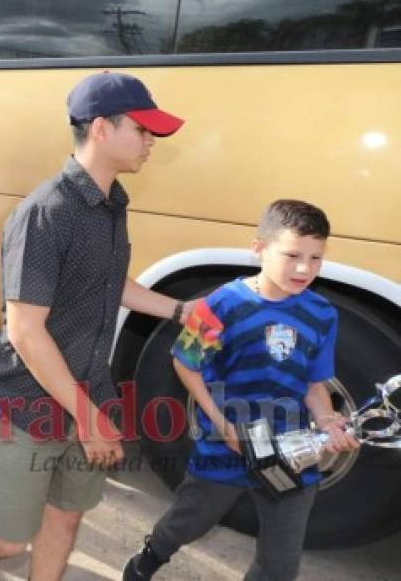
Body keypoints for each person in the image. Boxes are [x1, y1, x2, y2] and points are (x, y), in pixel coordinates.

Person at [0, 72, 192, 581]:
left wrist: (180, 311)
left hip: (89, 391)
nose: (151, 142)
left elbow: (109, 281)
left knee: (66, 515)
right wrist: (88, 418)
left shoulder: (111, 204)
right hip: (31, 401)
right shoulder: (46, 213)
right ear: (102, 128)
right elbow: (25, 331)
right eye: (143, 130)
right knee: (10, 537)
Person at [122, 199, 359, 581]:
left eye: (316, 258)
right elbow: (185, 363)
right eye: (292, 254)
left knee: (281, 564)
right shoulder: (222, 304)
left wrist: (328, 419)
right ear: (259, 249)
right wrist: (219, 422)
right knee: (190, 521)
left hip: (291, 450)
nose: (304, 268)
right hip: (226, 445)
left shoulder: (321, 313)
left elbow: (315, 385)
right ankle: (149, 557)